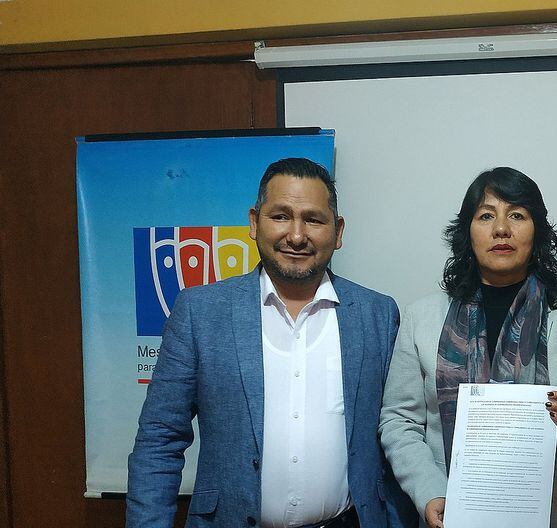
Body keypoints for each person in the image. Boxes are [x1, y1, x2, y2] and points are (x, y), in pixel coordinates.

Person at [127, 158, 415, 528]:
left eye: (313, 219)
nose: (296, 236)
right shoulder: (201, 312)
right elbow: (159, 439)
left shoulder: (377, 314)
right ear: (254, 222)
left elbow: (396, 433)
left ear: (338, 230)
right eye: (280, 216)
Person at [379, 167, 557, 528]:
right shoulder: (421, 317)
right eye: (486, 216)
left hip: (552, 514)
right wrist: (429, 491)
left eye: (517, 215)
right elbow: (399, 420)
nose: (501, 229)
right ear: (467, 232)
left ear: (537, 232)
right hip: (450, 510)